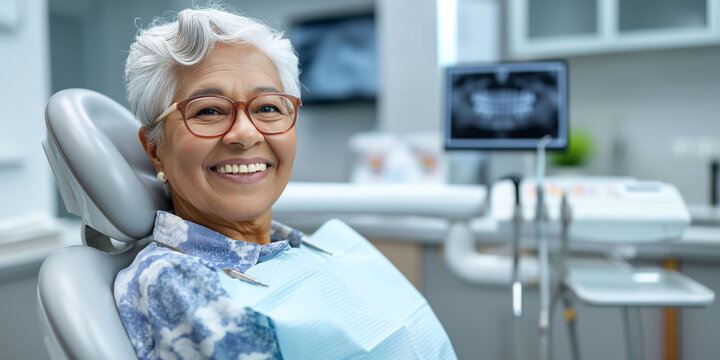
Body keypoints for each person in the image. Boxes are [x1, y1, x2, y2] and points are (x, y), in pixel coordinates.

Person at [114, 6, 455, 360]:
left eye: (268, 108)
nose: (245, 134)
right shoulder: (176, 282)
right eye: (209, 110)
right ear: (155, 149)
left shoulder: (297, 249)